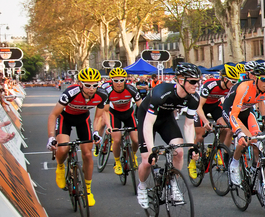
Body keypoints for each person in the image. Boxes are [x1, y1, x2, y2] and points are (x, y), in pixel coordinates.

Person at [135, 62, 202, 209]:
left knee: (179, 152)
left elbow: (189, 125)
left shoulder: (194, 98)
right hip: (147, 119)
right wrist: (152, 150)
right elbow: (148, 124)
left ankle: (172, 183)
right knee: (147, 161)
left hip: (166, 119)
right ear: (180, 80)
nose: (196, 85)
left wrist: (192, 147)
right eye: (192, 82)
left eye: (198, 81)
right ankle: (142, 186)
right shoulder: (161, 93)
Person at [47, 67, 109, 206]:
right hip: (65, 118)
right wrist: (51, 137)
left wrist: (96, 132)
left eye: (95, 85)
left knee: (87, 154)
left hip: (83, 119)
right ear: (80, 84)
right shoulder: (70, 93)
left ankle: (88, 190)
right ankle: (60, 166)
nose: (92, 89)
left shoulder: (102, 94)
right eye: (88, 85)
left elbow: (98, 117)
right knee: (63, 148)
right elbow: (53, 114)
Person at [224, 62, 265, 186]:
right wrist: (239, 133)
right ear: (255, 78)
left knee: (258, 141)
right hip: (231, 112)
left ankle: (256, 173)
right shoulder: (244, 88)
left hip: (247, 111)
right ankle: (234, 164)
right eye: (263, 79)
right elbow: (233, 115)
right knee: (245, 140)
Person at [188, 63, 239, 179]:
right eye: (232, 82)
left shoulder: (231, 88)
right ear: (225, 79)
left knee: (226, 128)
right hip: (201, 106)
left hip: (215, 106)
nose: (234, 85)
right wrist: (206, 121)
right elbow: (199, 106)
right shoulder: (210, 85)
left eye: (236, 82)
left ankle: (214, 149)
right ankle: (192, 161)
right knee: (200, 135)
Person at [100, 67, 142, 176]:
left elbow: (141, 107)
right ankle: (117, 162)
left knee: (136, 140)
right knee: (117, 140)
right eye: (116, 80)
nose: (119, 83)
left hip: (129, 114)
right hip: (115, 114)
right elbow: (105, 111)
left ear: (125, 80)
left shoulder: (131, 89)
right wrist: (108, 125)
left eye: (121, 80)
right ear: (111, 81)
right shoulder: (107, 91)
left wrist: (144, 121)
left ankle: (133, 155)